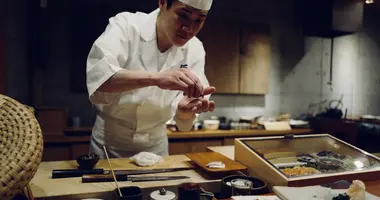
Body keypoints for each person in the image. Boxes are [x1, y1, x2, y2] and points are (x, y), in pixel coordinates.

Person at [86, 0, 216, 159]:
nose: (189, 28)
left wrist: (184, 112)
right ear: (162, 3)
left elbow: (183, 116)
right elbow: (100, 77)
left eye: (199, 20)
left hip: (155, 147)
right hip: (108, 143)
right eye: (183, 16)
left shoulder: (195, 49)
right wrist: (157, 78)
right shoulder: (126, 25)